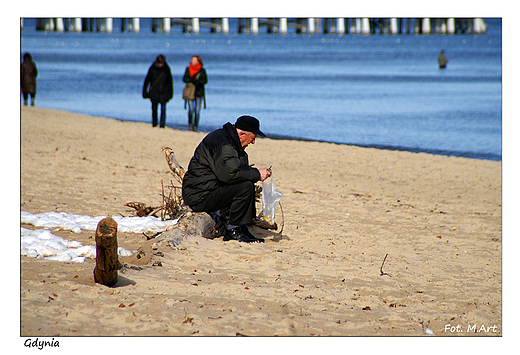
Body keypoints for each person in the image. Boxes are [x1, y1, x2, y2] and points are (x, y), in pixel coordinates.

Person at [182, 115, 271, 243]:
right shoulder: (224, 144)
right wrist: (257, 174)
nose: (253, 142)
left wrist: (254, 174)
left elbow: (235, 171)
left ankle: (242, 227)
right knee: (245, 186)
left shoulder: (231, 142)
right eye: (252, 138)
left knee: (247, 183)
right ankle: (233, 231)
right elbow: (229, 175)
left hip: (209, 189)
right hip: (199, 195)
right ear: (242, 134)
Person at [142, 54, 173, 128]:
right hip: (154, 92)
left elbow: (170, 82)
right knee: (154, 109)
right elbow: (147, 80)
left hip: (164, 92)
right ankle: (154, 123)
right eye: (159, 63)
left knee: (163, 110)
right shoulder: (152, 68)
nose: (160, 65)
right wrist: (144, 92)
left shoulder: (166, 69)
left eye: (162, 63)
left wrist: (170, 94)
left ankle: (162, 125)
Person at [183, 55, 208, 132]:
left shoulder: (202, 70)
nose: (193, 61)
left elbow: (205, 80)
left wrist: (198, 82)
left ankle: (195, 126)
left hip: (198, 92)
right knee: (191, 110)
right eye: (192, 60)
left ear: (198, 61)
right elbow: (184, 79)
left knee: (197, 111)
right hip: (190, 92)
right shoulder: (188, 69)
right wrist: (191, 80)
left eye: (194, 60)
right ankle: (190, 125)